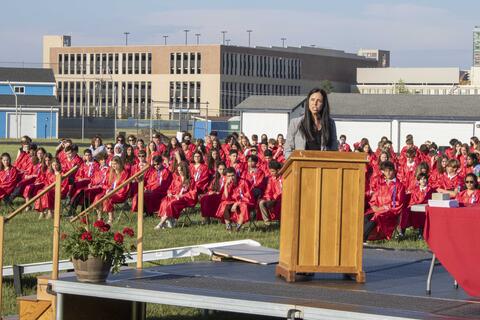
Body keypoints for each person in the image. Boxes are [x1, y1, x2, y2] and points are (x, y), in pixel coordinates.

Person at [284, 88, 338, 158]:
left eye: (319, 101)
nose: (315, 103)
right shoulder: (295, 123)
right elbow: (288, 150)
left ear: (324, 104)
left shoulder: (330, 123)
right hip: (301, 165)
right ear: (308, 102)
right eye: (312, 100)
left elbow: (334, 150)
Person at [364, 161, 406, 241]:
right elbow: (373, 199)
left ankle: (362, 238)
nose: (388, 173)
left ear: (394, 171)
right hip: (378, 209)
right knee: (366, 216)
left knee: (377, 215)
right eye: (386, 171)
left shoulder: (399, 186)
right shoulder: (381, 185)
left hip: (390, 211)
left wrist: (382, 208)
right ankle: (366, 236)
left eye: (390, 170)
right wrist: (374, 206)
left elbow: (397, 203)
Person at [155, 162, 197, 230]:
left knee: (172, 203)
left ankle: (161, 223)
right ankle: (169, 221)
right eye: (179, 170)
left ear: (185, 170)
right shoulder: (176, 179)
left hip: (185, 199)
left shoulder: (191, 180)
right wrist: (169, 193)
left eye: (181, 170)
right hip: (174, 196)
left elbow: (193, 192)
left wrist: (181, 196)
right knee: (164, 201)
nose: (180, 172)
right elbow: (170, 189)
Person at [215, 167, 253, 232]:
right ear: (226, 177)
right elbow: (226, 198)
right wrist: (226, 186)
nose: (231, 178)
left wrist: (237, 203)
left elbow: (248, 197)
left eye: (232, 175)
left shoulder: (243, 182)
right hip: (232, 201)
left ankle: (238, 226)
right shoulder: (227, 183)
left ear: (236, 174)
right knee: (223, 204)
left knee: (244, 206)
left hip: (244, 201)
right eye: (229, 176)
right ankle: (228, 226)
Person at [258, 161, 283, 227]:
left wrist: (275, 199)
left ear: (278, 170)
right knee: (261, 203)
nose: (271, 173)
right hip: (273, 199)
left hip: (282, 199)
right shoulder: (271, 179)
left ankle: (281, 222)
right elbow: (268, 191)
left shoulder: (284, 178)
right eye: (270, 171)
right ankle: (267, 223)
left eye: (273, 171)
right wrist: (269, 199)